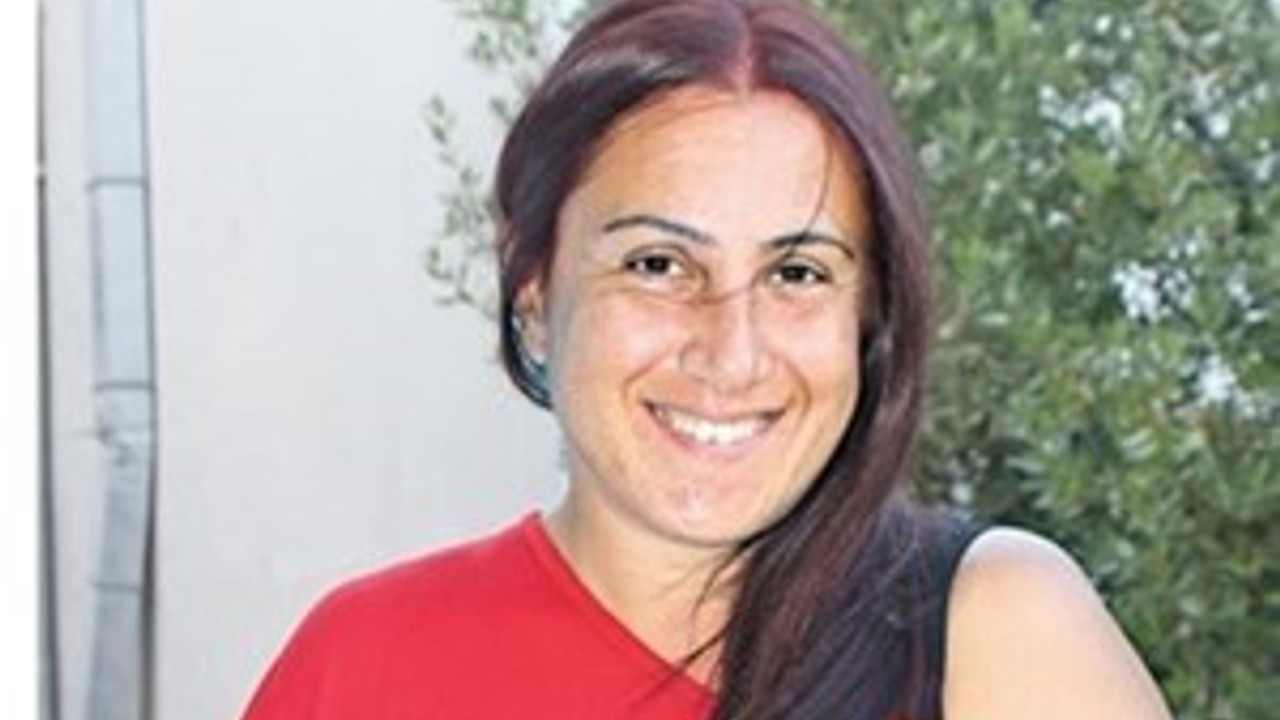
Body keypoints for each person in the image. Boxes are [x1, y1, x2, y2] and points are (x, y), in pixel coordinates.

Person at [242, 0, 1173, 718]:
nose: (732, 354)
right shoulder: (362, 666)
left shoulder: (993, 635)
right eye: (657, 264)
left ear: (869, 314)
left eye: (797, 273)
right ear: (533, 285)